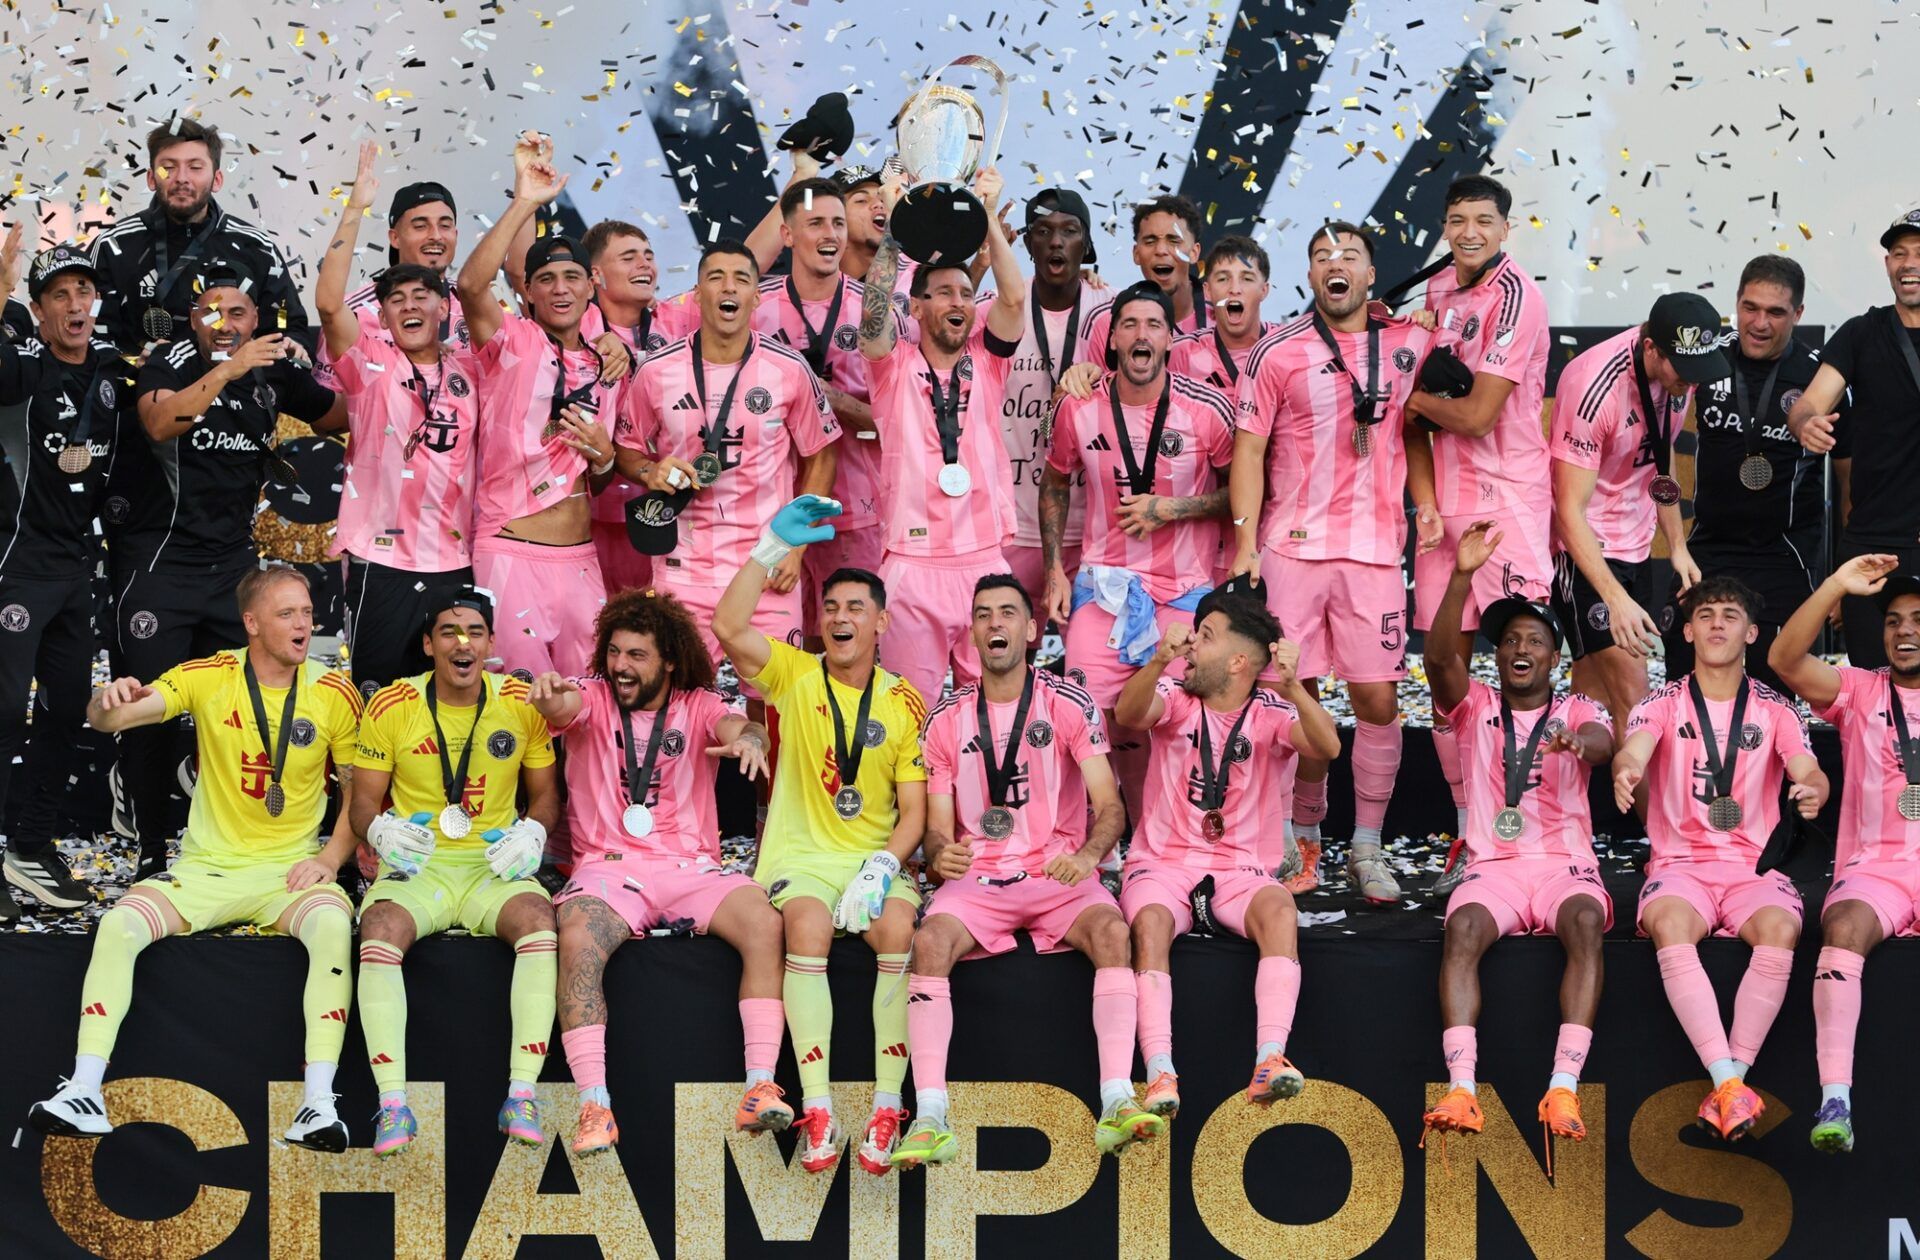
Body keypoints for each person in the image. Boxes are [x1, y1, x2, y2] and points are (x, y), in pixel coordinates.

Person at [29, 566, 361, 1150]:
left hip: (290, 871)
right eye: (287, 614)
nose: (304, 625)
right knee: (120, 923)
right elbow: (114, 717)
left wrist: (332, 861)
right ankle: (83, 1089)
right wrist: (106, 703)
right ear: (252, 623)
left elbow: (362, 792)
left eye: (307, 612)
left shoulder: (334, 691)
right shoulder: (209, 674)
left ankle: (316, 1103)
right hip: (207, 869)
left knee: (333, 925)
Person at [892, 575, 1145, 1166]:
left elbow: (1110, 806)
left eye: (1008, 613)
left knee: (1113, 932)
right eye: (983, 615)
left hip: (1057, 873)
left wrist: (1085, 858)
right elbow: (935, 827)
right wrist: (939, 850)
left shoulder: (1067, 701)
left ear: (1033, 630)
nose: (995, 624)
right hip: (979, 878)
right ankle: (930, 1116)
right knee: (928, 943)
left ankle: (1116, 1098)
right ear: (973, 633)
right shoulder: (947, 716)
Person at [712, 495, 928, 1177]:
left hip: (872, 863)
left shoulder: (902, 701)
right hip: (800, 859)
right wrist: (771, 544)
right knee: (804, 925)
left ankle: (890, 1108)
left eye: (855, 608)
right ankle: (819, 1106)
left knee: (898, 932)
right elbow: (725, 624)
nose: (840, 618)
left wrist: (880, 868)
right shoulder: (794, 673)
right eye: (831, 608)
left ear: (881, 622)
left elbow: (915, 812)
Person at [531, 589, 782, 1155]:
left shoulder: (697, 703)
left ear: (668, 658)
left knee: (766, 924)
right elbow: (563, 708)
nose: (621, 665)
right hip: (609, 871)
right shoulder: (593, 695)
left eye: (637, 655)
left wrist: (749, 740)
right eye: (615, 651)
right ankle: (594, 1103)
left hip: (693, 869)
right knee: (576, 936)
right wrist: (549, 700)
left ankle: (758, 1085)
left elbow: (740, 726)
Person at [1229, 222, 1436, 901]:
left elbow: (1431, 420)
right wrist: (1242, 545)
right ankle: (1299, 841)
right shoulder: (1278, 351)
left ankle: (1368, 847)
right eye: (1321, 256)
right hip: (1290, 551)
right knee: (1295, 697)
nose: (1334, 264)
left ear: (1372, 273)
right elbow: (1250, 452)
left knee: (1378, 699)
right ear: (1310, 277)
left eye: (1349, 255)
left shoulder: (1410, 342)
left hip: (1375, 554)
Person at [119, 260, 342, 877]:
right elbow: (162, 422)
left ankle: (233, 842)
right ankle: (148, 853)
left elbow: (344, 413)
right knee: (152, 714)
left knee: (249, 708)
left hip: (234, 574)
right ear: (193, 318)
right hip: (162, 567)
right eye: (211, 310)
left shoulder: (272, 373)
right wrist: (228, 369)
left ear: (258, 320)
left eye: (237, 312)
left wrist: (338, 359)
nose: (224, 322)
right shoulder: (171, 359)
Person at [1416, 522, 1614, 1160]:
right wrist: (1462, 576)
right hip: (1495, 866)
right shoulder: (1473, 705)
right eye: (1508, 642)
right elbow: (1440, 659)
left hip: (1564, 865)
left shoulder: (1579, 708)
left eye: (1533, 640)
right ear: (1498, 657)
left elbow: (1604, 747)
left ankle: (1562, 1087)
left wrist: (1575, 745)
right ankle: (1462, 1088)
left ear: (1554, 658)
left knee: (1585, 921)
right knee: (1464, 929)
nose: (1520, 648)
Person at [1611, 577, 1827, 1142]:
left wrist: (1814, 787)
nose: (1716, 624)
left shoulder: (1778, 708)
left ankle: (1730, 1083)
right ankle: (1730, 1083)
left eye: (1730, 615)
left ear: (1751, 633)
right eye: (1705, 615)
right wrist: (1627, 769)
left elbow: (1807, 767)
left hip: (1753, 869)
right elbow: (1634, 746)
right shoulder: (1660, 702)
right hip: (1680, 866)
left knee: (1782, 928)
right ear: (1686, 631)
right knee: (1669, 924)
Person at [1112, 595, 1340, 1123]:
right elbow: (1127, 715)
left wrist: (1293, 687)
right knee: (1148, 923)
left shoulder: (1270, 712)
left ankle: (1268, 1059)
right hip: (1162, 864)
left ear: (1239, 662)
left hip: (1240, 871)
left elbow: (1326, 747)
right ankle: (1160, 1068)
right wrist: (1155, 660)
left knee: (1281, 909)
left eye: (1206, 635)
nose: (1191, 643)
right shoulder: (1173, 694)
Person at [350, 589, 560, 1156]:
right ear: (428, 645)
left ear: (491, 643)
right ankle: (392, 1104)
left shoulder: (520, 702)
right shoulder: (392, 705)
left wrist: (533, 832)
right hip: (420, 863)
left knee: (540, 920)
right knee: (379, 931)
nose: (461, 642)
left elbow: (545, 797)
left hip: (492, 862)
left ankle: (522, 1093)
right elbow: (362, 804)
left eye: (473, 631)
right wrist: (380, 832)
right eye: (448, 631)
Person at [1043, 282, 1235, 821]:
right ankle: (1092, 833)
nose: (1142, 334)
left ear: (1169, 340)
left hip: (1184, 592)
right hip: (1103, 591)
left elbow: (1242, 491)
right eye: (1130, 325)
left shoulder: (1206, 409)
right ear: (1113, 342)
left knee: (1172, 719)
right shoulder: (1079, 408)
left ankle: (1167, 833)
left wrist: (1172, 510)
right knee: (1086, 719)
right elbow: (1056, 481)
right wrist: (1056, 567)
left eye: (1153, 324)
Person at [1401, 175, 1553, 852]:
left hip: (1506, 500)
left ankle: (1529, 819)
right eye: (1457, 220)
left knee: (1523, 658)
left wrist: (1413, 399)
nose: (1469, 233)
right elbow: (1419, 428)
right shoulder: (1437, 291)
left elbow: (1476, 414)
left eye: (1483, 221)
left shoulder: (1518, 296)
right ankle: (1472, 825)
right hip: (1447, 509)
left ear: (1505, 229)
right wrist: (1426, 504)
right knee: (1442, 671)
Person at [454, 133, 629, 681]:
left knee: (586, 708)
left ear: (590, 285)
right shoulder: (511, 342)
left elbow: (600, 474)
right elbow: (469, 284)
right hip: (512, 554)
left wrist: (603, 458)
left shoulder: (607, 359)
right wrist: (526, 199)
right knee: (514, 711)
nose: (560, 288)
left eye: (572, 277)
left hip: (581, 562)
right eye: (545, 279)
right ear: (526, 291)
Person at [614, 238, 840, 661]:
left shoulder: (788, 369)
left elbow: (822, 454)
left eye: (741, 279)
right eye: (716, 278)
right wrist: (650, 472)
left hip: (768, 565)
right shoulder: (656, 372)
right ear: (698, 295)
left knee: (773, 706)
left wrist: (796, 548)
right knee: (685, 700)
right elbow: (626, 450)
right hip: (684, 569)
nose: (728, 288)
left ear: (757, 296)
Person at [0, 239, 139, 918]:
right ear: (39, 308)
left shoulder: (114, 375)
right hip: (18, 567)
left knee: (66, 714)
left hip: (80, 571)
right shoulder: (21, 370)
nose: (75, 304)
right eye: (60, 294)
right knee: (3, 713)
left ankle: (30, 849)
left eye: (84, 291)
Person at [1767, 555, 1920, 1154]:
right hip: (1873, 873)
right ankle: (1837, 1098)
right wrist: (1835, 585)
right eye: (1893, 622)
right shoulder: (1859, 689)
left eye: (1917, 619)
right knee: (1842, 928)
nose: (1904, 631)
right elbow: (1783, 661)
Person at [316, 142, 479, 696]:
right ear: (382, 314)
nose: (411, 306)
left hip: (457, 557)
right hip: (378, 558)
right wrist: (355, 206)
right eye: (398, 299)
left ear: (443, 308)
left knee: (452, 704)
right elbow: (329, 304)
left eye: (423, 297)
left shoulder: (473, 365)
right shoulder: (372, 361)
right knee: (376, 703)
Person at [858, 169, 1026, 706]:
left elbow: (1016, 299)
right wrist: (894, 226)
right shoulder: (891, 367)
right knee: (913, 713)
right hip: (913, 564)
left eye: (967, 293)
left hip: (984, 560)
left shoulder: (988, 361)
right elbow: (873, 308)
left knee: (995, 711)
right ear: (919, 307)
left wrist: (989, 216)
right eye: (945, 292)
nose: (960, 301)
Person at [1550, 292, 1726, 736]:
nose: (1693, 383)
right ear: (1652, 349)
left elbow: (1660, 459)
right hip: (1585, 550)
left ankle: (1577, 804)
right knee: (1638, 705)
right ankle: (1664, 810)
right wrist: (1615, 598)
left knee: (1591, 707)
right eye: (1685, 371)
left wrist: (1679, 546)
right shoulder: (1594, 387)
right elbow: (1568, 510)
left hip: (1636, 547)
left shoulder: (1678, 379)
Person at [1664, 256, 1834, 692]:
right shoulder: (1706, 359)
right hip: (1708, 550)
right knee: (1685, 684)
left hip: (1786, 556)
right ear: (1735, 304)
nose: (1759, 323)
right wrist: (1677, 544)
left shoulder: (1821, 377)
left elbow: (1850, 476)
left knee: (1772, 692)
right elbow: (1661, 447)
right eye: (1749, 307)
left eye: (1775, 312)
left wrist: (1841, 573)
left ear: (1798, 314)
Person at [1784, 209, 1920, 668]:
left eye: (1919, 253)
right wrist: (1805, 423)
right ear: (1886, 265)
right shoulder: (1862, 333)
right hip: (1874, 544)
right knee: (1870, 686)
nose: (1908, 263)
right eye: (1898, 254)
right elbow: (1809, 403)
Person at [754, 176, 890, 619]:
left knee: (852, 643)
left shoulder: (876, 311)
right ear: (788, 235)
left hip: (855, 512)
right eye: (815, 223)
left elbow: (897, 425)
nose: (830, 234)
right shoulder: (754, 310)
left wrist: (828, 397)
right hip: (768, 514)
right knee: (790, 655)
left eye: (837, 223)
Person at [88, 117, 312, 353]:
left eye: (195, 167)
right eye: (168, 167)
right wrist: (136, 368)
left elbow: (288, 329)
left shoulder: (256, 247)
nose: (182, 178)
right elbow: (90, 341)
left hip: (235, 385)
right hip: (143, 387)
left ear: (217, 180)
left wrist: (291, 346)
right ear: (151, 178)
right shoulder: (113, 246)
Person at [578, 218, 699, 595]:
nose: (644, 264)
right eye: (628, 257)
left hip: (668, 509)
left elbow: (743, 267)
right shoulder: (575, 327)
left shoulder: (677, 318)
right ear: (595, 274)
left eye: (648, 255)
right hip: (596, 514)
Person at [996, 188, 1101, 613]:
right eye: (1043, 231)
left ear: (1087, 244)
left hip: (1093, 533)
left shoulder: (1112, 313)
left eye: (1070, 231)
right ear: (1027, 243)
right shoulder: (1001, 309)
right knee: (1007, 666)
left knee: (1090, 672)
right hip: (1010, 528)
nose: (1056, 241)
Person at [1083, 195, 1210, 348]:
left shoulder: (1224, 315)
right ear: (1136, 254)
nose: (1161, 250)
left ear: (1194, 253)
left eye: (1174, 241)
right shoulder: (1107, 321)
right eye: (1150, 241)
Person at [1167, 235, 1277, 392]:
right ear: (1208, 291)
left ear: (1264, 290)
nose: (1235, 289)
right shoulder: (1179, 355)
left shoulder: (1290, 346)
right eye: (1223, 279)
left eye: (1246, 279)